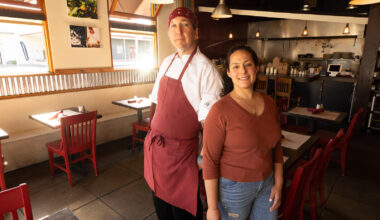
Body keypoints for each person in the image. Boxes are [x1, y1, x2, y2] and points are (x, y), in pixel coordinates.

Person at [144, 7, 223, 220]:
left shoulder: (206, 70)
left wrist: (203, 155)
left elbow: (211, 124)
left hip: (182, 157)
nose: (178, 30)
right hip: (157, 152)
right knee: (161, 208)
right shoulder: (166, 62)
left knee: (184, 211)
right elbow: (158, 104)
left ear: (196, 32)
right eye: (173, 26)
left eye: (185, 25)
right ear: (169, 33)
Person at [202, 45, 283, 220]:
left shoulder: (269, 103)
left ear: (257, 68)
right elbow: (209, 161)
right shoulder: (219, 110)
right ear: (229, 73)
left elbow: (276, 146)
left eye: (248, 64)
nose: (243, 71)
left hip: (267, 184)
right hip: (234, 189)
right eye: (236, 66)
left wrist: (279, 182)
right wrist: (212, 208)